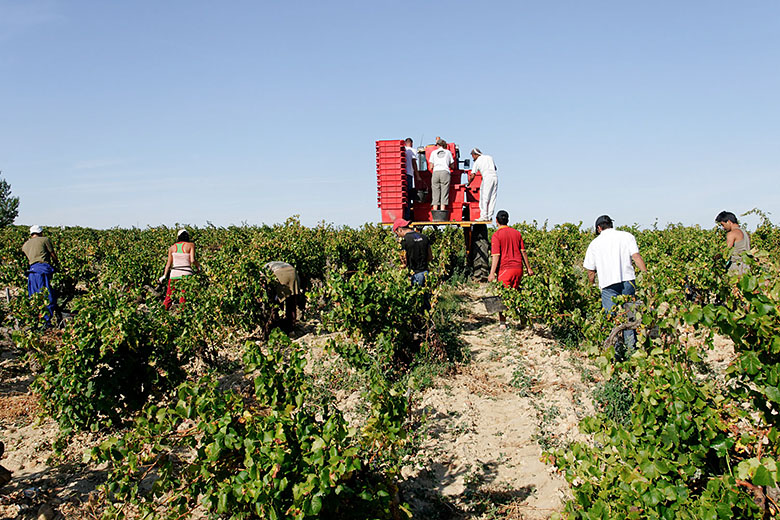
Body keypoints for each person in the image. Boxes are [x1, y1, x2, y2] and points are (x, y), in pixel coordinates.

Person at [583, 215, 647, 358]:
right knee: (630, 317)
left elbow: (590, 270)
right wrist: (647, 276)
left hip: (608, 284)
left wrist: (591, 284)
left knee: (612, 318)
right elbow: (636, 257)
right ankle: (631, 351)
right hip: (628, 282)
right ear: (611, 224)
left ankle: (617, 352)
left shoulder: (595, 243)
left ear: (599, 228)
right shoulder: (627, 236)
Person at [488, 210, 533, 329]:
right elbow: (523, 252)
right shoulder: (517, 233)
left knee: (502, 297)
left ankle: (503, 324)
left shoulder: (496, 236)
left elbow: (496, 255)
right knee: (518, 294)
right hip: (518, 269)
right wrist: (528, 268)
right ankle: (523, 321)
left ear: (496, 221)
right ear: (507, 220)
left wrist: (492, 273)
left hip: (505, 270)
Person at [22, 225, 59, 323]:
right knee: (48, 296)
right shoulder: (44, 240)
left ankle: (36, 321)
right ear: (41, 232)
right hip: (43, 270)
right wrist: (57, 263)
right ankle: (46, 322)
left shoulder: (25, 245)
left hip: (32, 272)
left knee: (35, 297)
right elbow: (52, 254)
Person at [160, 229, 198, 310]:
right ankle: (182, 316)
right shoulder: (191, 245)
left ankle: (162, 315)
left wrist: (164, 275)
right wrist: (199, 267)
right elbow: (192, 260)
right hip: (186, 274)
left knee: (168, 297)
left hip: (174, 273)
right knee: (183, 298)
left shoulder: (172, 248)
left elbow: (168, 264)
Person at [393, 218, 432, 285]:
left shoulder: (404, 241)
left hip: (414, 275)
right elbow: (430, 257)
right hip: (426, 274)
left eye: (397, 234)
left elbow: (404, 262)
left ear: (400, 230)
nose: (398, 236)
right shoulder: (424, 237)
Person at [265, 261, 301, 331]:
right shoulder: (274, 264)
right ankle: (291, 326)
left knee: (274, 302)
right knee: (291, 301)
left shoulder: (263, 270)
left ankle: (275, 326)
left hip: (280, 275)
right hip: (293, 273)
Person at [715, 211, 751, 275]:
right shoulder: (744, 233)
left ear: (729, 222)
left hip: (736, 267)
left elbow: (726, 252)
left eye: (723, 225)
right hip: (746, 266)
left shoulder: (731, 234)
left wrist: (715, 257)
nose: (723, 228)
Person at [468, 148, 498, 222]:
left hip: (487, 177)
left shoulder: (477, 161)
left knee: (484, 197)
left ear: (475, 155)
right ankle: (489, 216)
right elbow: (495, 168)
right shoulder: (489, 157)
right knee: (492, 197)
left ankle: (484, 216)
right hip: (495, 177)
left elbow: (472, 175)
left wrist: (469, 183)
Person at [429, 138, 453, 214]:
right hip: (445, 172)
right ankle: (442, 210)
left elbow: (430, 166)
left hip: (436, 172)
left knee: (435, 192)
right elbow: (452, 165)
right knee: (444, 191)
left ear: (438, 145)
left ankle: (435, 210)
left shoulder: (433, 153)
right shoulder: (448, 152)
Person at [404, 138, 420, 220]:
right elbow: (414, 163)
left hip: (402, 175)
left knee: (403, 195)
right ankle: (408, 216)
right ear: (411, 143)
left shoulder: (403, 150)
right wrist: (417, 176)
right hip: (409, 174)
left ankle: (403, 215)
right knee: (409, 195)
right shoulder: (413, 150)